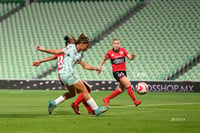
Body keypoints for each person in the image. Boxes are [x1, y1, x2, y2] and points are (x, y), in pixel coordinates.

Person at [36, 34, 109, 116]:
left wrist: (95, 68)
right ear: (82, 44)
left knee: (72, 93)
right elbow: (57, 52)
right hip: (68, 73)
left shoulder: (80, 54)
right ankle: (96, 109)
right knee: (84, 90)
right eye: (86, 46)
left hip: (62, 75)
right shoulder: (71, 48)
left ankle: (54, 103)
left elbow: (85, 66)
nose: (87, 48)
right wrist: (43, 49)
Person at [98, 38, 142, 107]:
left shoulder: (123, 50)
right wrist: (100, 67)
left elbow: (130, 58)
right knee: (128, 84)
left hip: (123, 72)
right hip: (116, 72)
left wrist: (132, 57)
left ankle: (106, 99)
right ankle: (135, 101)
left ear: (119, 44)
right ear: (112, 45)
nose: (116, 45)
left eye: (117, 43)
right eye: (115, 43)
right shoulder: (110, 52)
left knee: (121, 89)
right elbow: (104, 59)